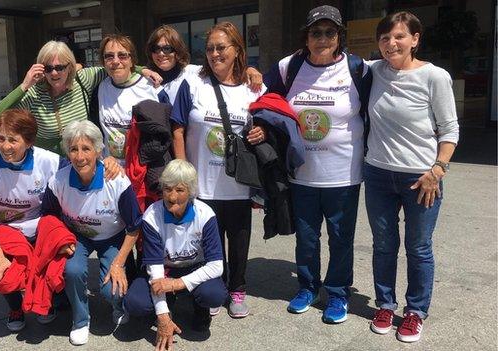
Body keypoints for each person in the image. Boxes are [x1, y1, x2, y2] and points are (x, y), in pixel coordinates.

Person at [262, 5, 371, 324]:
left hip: (344, 174)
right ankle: (307, 287)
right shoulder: (289, 67)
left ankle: (337, 293)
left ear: (339, 37)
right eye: (316, 32)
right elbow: (265, 97)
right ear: (306, 37)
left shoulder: (357, 69)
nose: (322, 38)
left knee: (341, 238)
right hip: (302, 174)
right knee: (307, 237)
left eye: (329, 32)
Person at [365, 11, 458, 343]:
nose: (392, 43)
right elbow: (328, 60)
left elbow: (449, 130)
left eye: (400, 36)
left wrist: (437, 170)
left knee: (418, 248)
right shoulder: (373, 70)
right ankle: (386, 306)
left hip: (421, 178)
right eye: (385, 37)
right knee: (384, 246)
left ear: (415, 39)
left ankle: (416, 311)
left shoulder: (435, 77)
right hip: (377, 174)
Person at [171, 21, 266, 318]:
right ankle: (214, 287)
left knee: (238, 239)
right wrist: (183, 170)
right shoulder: (193, 82)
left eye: (221, 47)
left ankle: (237, 288)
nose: (214, 53)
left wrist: (261, 132)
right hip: (201, 182)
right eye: (209, 48)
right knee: (208, 241)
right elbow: (177, 127)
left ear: (237, 50)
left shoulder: (254, 88)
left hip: (237, 182)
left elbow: (268, 124)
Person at [41, 120, 142, 346]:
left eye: (86, 149)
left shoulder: (117, 181)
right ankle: (80, 320)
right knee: (72, 270)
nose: (80, 156)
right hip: (78, 236)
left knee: (111, 291)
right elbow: (48, 215)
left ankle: (118, 306)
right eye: (73, 149)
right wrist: (60, 239)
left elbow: (134, 226)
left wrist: (119, 263)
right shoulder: (58, 181)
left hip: (113, 237)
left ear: (98, 150)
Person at [0, 109, 65, 332]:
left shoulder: (49, 161)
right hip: (4, 229)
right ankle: (15, 307)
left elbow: (81, 171)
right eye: (1, 138)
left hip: (38, 226)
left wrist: (107, 166)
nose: (6, 146)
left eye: (13, 140)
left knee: (52, 266)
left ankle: (44, 301)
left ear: (29, 141)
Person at [0, 40, 159, 157]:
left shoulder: (82, 80)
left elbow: (114, 66)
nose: (54, 73)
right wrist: (25, 85)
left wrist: (141, 69)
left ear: (70, 66)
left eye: (60, 67)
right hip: (47, 166)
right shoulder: (35, 93)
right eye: (48, 68)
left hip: (79, 162)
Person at [123, 159, 227, 348]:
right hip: (165, 269)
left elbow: (216, 266)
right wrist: (162, 316)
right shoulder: (151, 216)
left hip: (194, 267)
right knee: (135, 303)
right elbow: (155, 273)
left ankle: (199, 309)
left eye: (180, 190)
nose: (172, 197)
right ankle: (165, 306)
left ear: (190, 192)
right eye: (167, 189)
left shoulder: (206, 214)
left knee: (214, 294)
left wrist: (177, 284)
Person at [145, 24, 263, 106]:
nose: (161, 54)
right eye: (155, 48)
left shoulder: (192, 73)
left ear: (177, 50)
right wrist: (143, 71)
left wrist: (250, 70)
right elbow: (130, 70)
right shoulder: (144, 79)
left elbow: (222, 67)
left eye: (167, 48)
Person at [97, 34, 161, 165]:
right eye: (109, 56)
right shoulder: (102, 87)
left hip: (140, 171)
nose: (115, 61)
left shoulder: (150, 88)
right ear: (103, 62)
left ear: (132, 60)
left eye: (122, 55)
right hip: (111, 171)